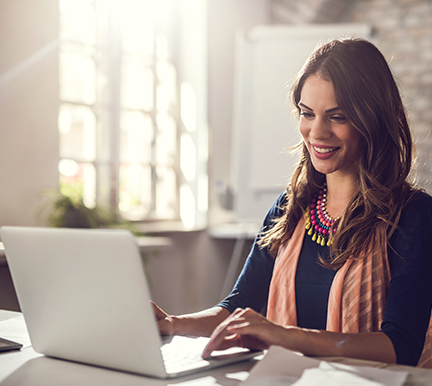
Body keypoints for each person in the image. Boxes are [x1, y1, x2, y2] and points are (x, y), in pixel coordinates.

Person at [152, 37, 432, 368]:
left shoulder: (414, 214)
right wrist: (173, 324)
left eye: (337, 116)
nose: (317, 131)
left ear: (371, 119)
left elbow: (400, 345)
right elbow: (239, 306)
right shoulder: (290, 208)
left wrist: (285, 336)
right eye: (307, 113)